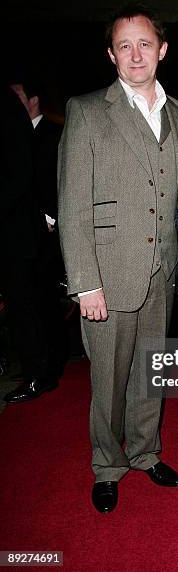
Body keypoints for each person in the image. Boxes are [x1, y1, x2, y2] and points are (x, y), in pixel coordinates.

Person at [57, 3, 178, 514]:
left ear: (162, 51)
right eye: (124, 46)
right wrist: (84, 282)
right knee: (108, 379)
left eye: (145, 44)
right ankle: (108, 465)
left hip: (163, 270)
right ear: (112, 55)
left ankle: (144, 452)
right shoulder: (89, 111)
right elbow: (72, 205)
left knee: (150, 373)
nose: (136, 54)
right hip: (107, 277)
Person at [1, 83, 62, 405]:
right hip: (29, 227)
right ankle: (39, 366)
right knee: (31, 301)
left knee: (34, 301)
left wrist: (50, 216)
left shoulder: (50, 132)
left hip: (33, 228)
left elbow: (48, 177)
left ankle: (42, 370)